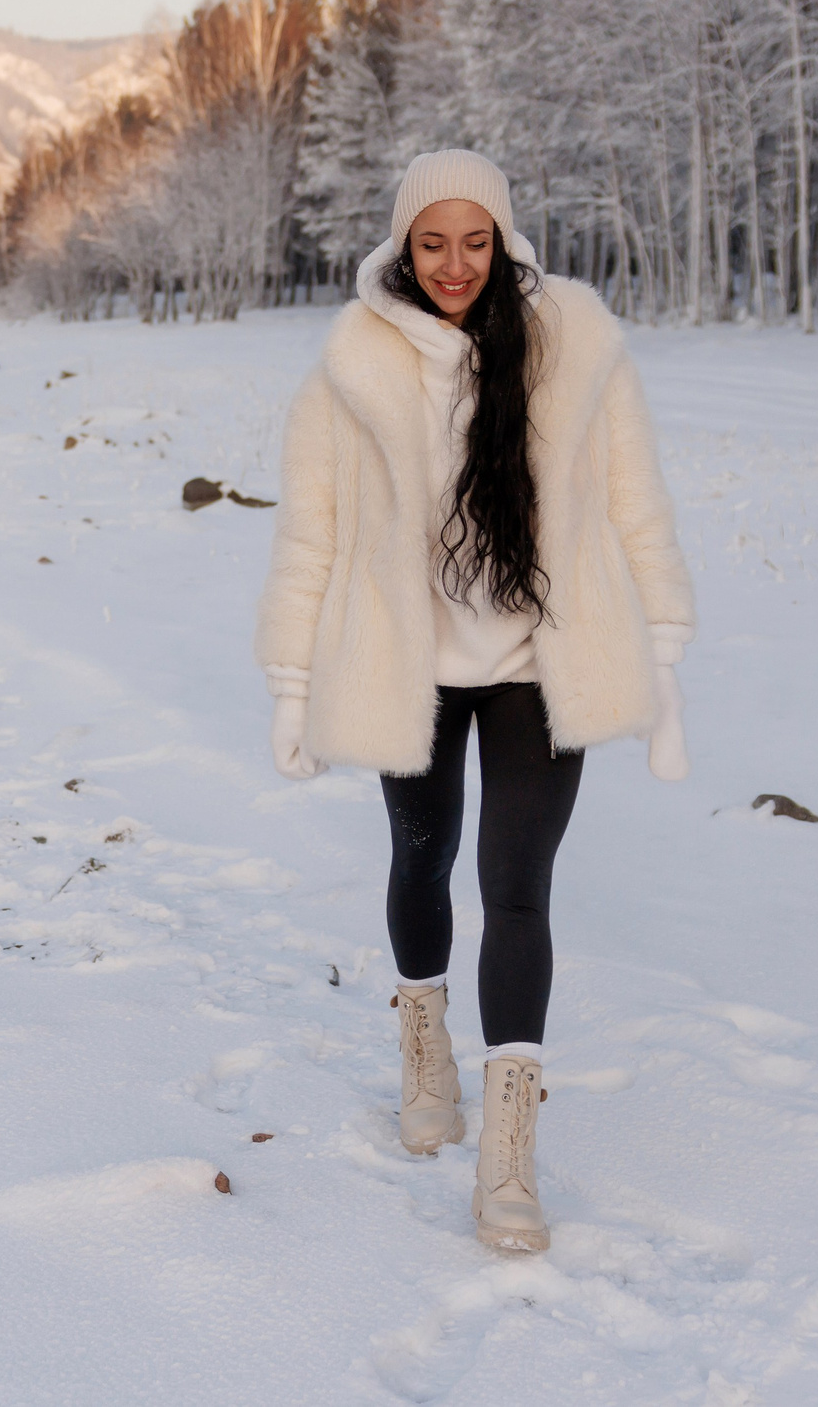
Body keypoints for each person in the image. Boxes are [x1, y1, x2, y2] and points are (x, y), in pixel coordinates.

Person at [255, 149, 695, 1253]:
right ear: (402, 249)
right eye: (431, 242)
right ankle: (422, 1054)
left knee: (518, 892)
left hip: (538, 666)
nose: (454, 264)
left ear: (504, 244)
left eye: (475, 240)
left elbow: (635, 504)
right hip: (406, 665)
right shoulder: (350, 367)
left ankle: (507, 1164)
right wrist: (292, 681)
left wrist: (667, 648)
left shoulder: (575, 350)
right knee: (420, 858)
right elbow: (308, 535)